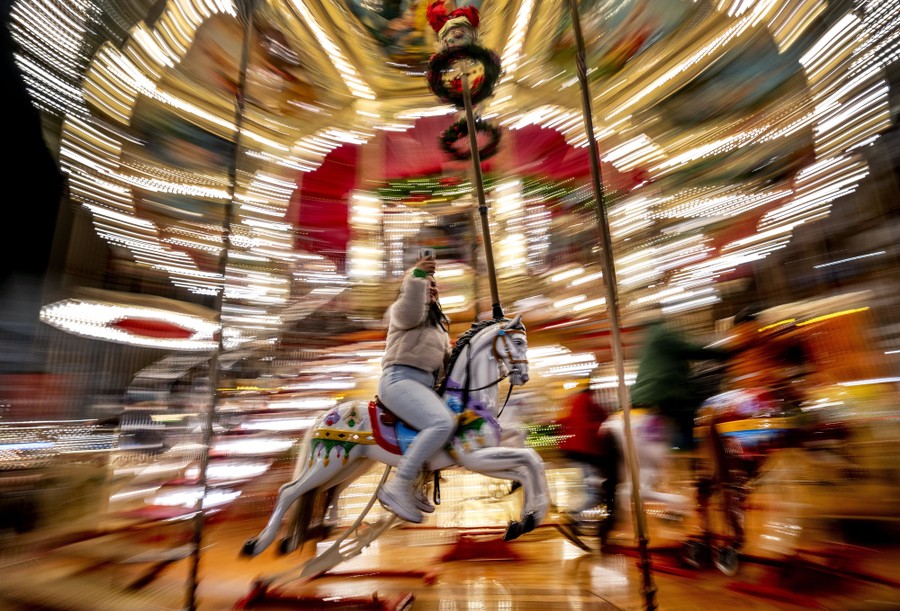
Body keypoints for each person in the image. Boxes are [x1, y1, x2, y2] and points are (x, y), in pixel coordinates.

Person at [376, 253, 454, 523]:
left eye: (435, 285)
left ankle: (415, 484)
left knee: (450, 421)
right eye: (427, 284)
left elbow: (446, 364)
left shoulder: (439, 326)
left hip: (425, 385)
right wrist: (418, 275)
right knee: (441, 423)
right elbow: (412, 304)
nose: (431, 287)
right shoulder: (404, 311)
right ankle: (399, 485)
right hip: (400, 379)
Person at [629, 308, 730, 451]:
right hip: (665, 393)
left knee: (667, 433)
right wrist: (724, 352)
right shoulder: (661, 332)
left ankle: (678, 454)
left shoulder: (646, 339)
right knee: (691, 420)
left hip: (647, 398)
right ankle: (692, 454)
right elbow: (690, 348)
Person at [557, 387, 620, 538]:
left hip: (577, 453)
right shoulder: (589, 400)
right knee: (596, 493)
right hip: (589, 452)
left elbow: (564, 422)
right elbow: (599, 424)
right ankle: (573, 517)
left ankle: (577, 522)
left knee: (593, 490)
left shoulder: (573, 401)